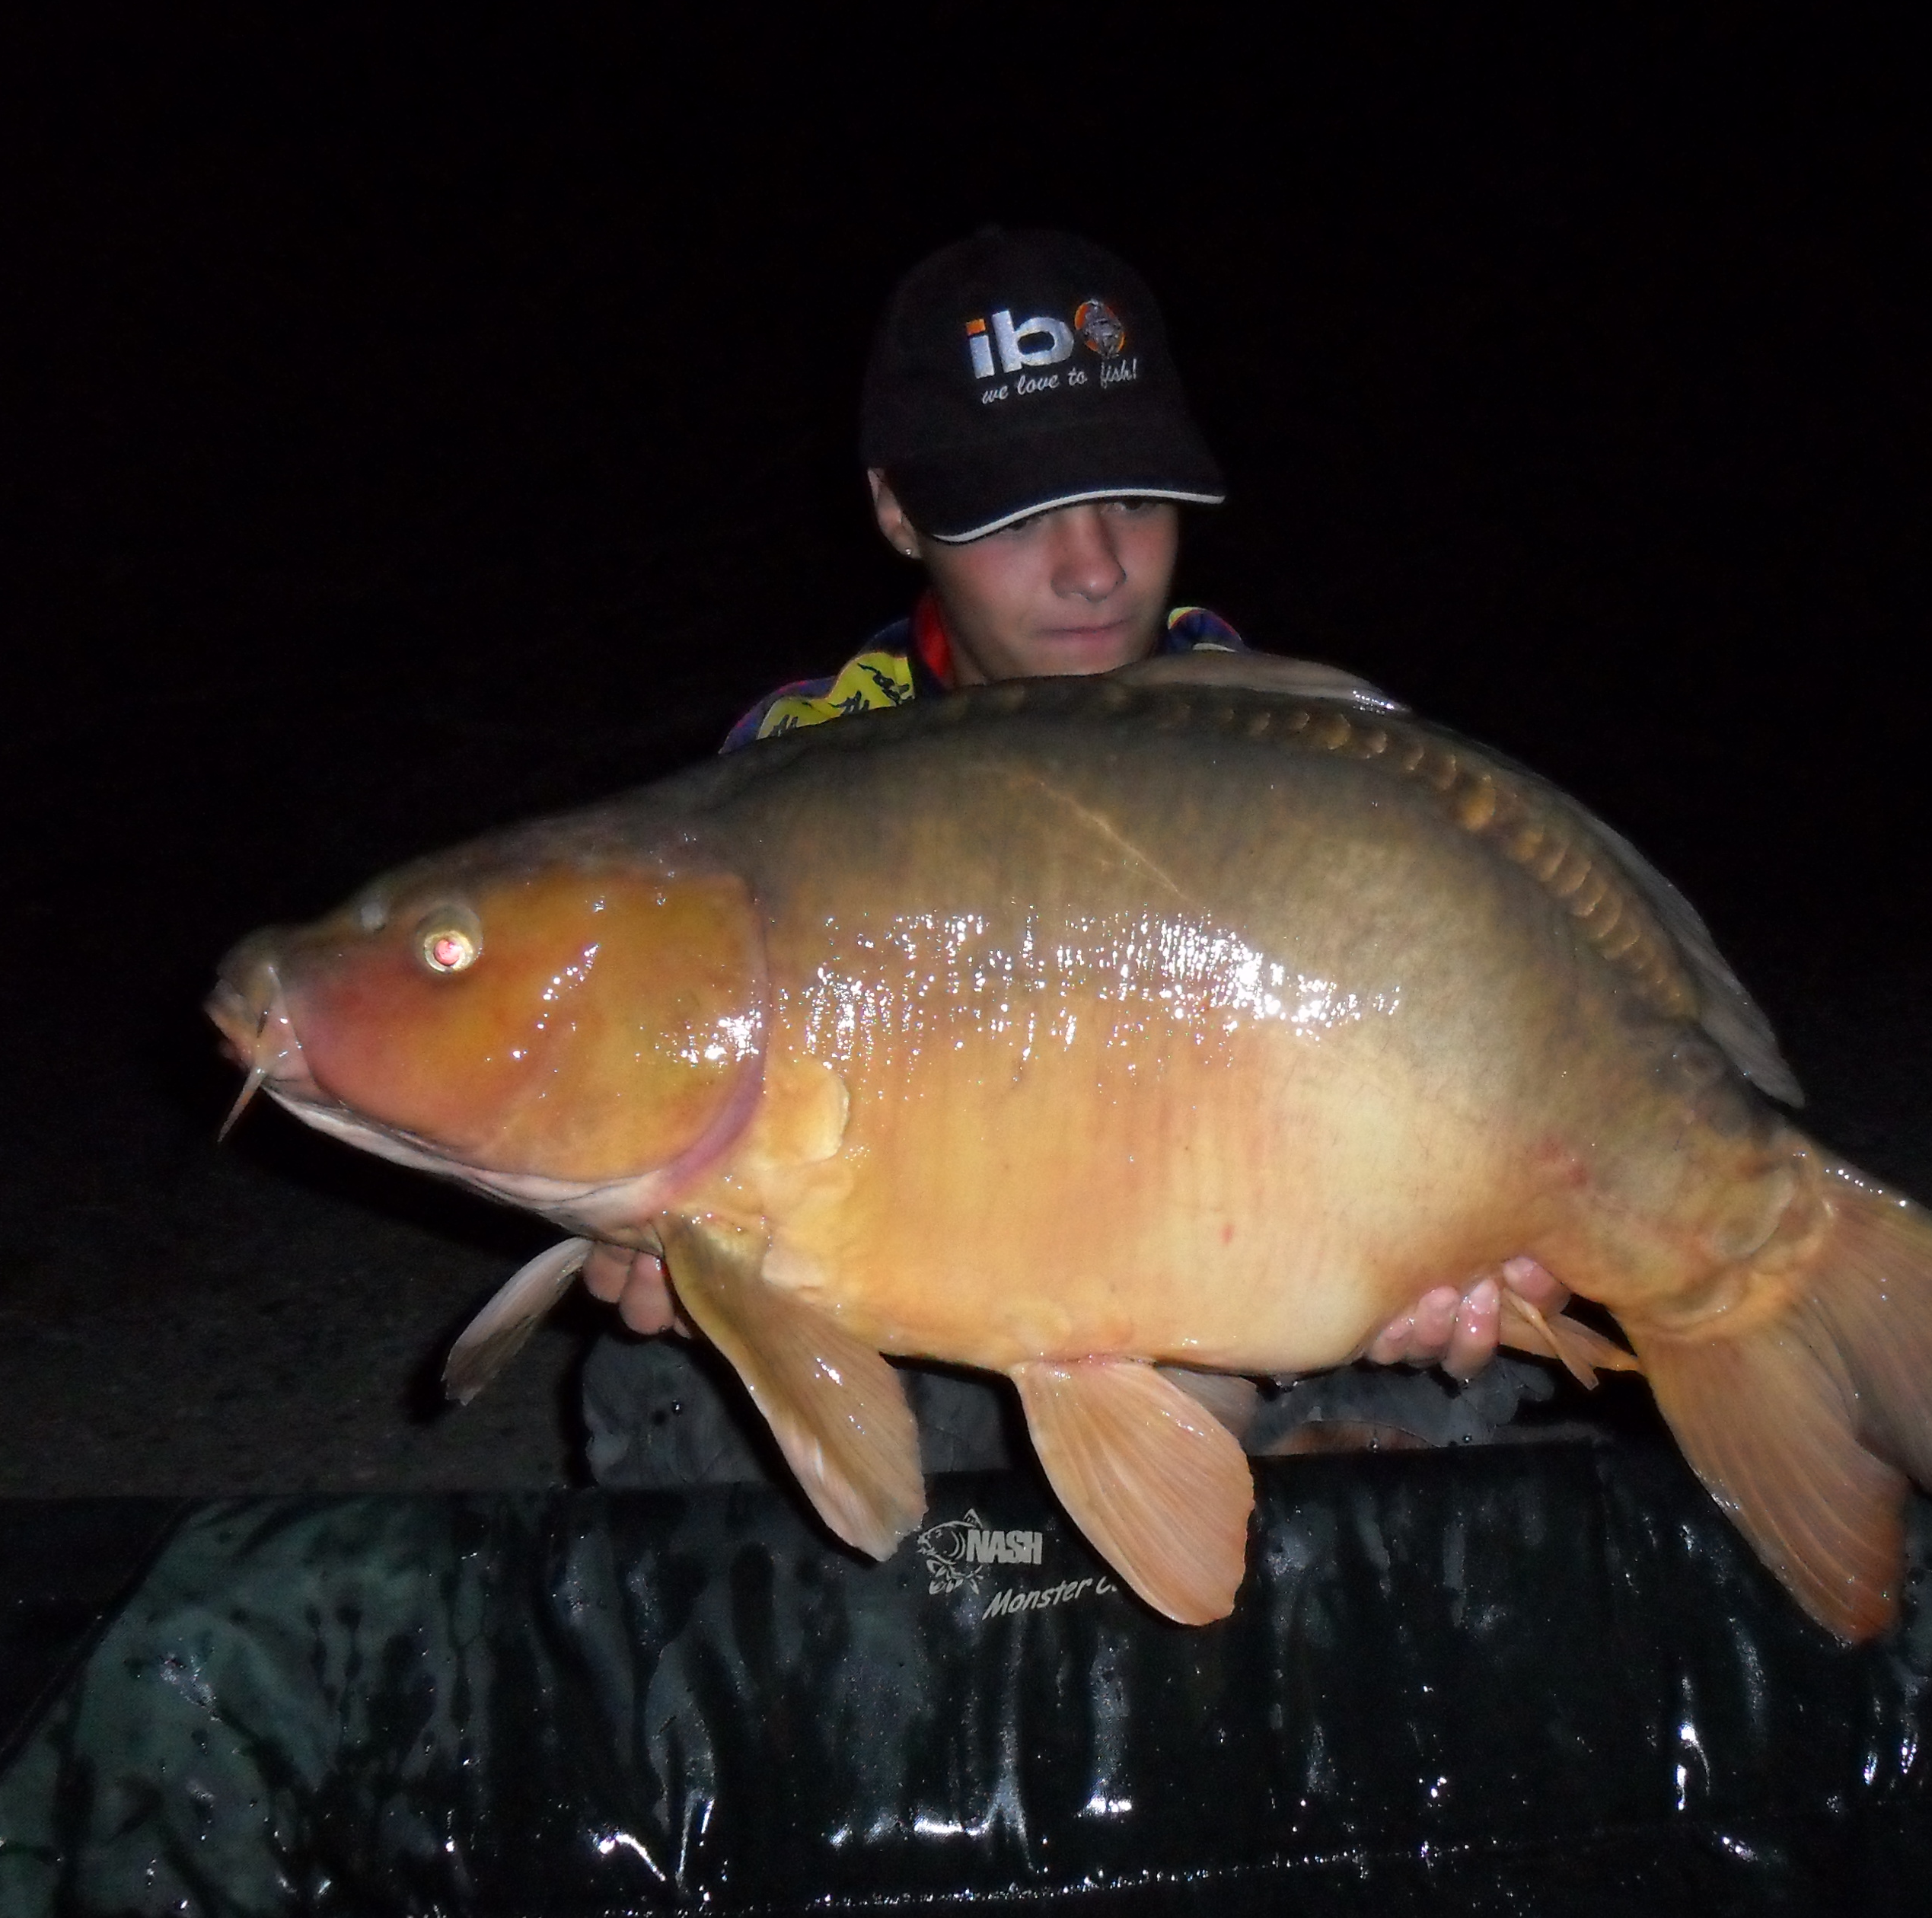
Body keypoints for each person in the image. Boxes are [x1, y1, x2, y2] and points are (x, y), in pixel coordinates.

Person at [581, 229, 1568, 1477]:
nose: (1094, 568)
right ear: (896, 509)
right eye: (1022, 515)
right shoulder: (795, 770)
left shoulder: (1288, 762)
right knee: (660, 1374)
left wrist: (1462, 1243)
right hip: (953, 1260)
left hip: (1241, 1240)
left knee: (1462, 1338)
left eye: (1135, 503)